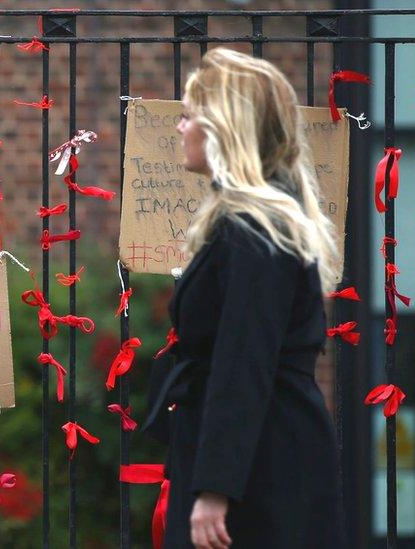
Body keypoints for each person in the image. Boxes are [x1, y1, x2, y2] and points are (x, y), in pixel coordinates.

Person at [141, 48, 345, 548]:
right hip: (258, 454)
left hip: (259, 469)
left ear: (223, 128)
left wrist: (215, 488)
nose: (179, 127)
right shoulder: (253, 224)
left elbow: (244, 361)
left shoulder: (254, 230)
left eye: (188, 116)